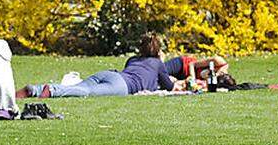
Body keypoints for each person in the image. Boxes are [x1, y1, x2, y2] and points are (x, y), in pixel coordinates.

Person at [20, 33, 175, 98]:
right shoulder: (157, 64)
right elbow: (168, 86)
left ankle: (35, 89)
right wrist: (161, 60)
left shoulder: (133, 60)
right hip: (123, 85)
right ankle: (52, 90)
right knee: (86, 92)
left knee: (78, 87)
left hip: (111, 74)